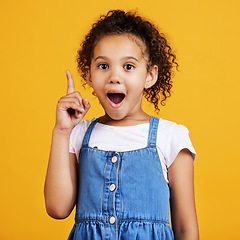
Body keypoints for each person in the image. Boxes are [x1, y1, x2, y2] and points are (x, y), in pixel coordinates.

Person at [44, 10, 199, 240]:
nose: (114, 76)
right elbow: (57, 208)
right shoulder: (78, 134)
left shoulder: (171, 137)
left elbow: (186, 229)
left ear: (150, 75)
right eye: (103, 66)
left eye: (128, 66)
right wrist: (61, 131)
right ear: (89, 75)